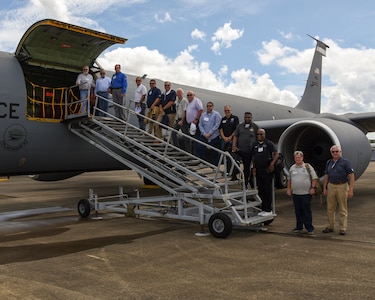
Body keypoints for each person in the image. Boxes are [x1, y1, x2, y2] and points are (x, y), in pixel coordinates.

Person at [322, 145, 355, 235]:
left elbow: (351, 176)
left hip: (342, 185)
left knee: (342, 208)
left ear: (340, 152)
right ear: (331, 153)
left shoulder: (345, 162)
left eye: (337, 151)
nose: (335, 153)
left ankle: (342, 228)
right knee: (330, 208)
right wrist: (324, 187)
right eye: (333, 152)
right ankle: (330, 226)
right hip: (331, 185)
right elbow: (326, 175)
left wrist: (351, 189)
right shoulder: (329, 162)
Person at [287, 151, 318, 235]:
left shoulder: (307, 167)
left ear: (302, 158)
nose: (297, 159)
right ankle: (299, 227)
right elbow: (289, 179)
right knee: (298, 211)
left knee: (306, 211)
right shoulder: (292, 168)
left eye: (299, 157)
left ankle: (309, 228)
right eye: (296, 158)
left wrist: (312, 188)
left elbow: (314, 178)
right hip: (296, 193)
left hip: (306, 193)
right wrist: (289, 189)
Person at [252, 128, 279, 216]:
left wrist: (272, 164)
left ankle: (268, 209)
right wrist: (254, 167)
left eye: (261, 134)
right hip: (259, 169)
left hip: (267, 170)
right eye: (258, 134)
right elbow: (254, 157)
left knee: (267, 190)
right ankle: (263, 208)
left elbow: (276, 153)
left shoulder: (268, 143)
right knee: (261, 190)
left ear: (264, 135)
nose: (259, 136)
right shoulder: (255, 144)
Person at [231, 112, 259, 187]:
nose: (247, 119)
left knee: (247, 167)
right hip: (240, 150)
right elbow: (235, 136)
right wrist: (234, 145)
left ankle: (247, 182)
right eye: (246, 117)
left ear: (251, 118)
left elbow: (258, 137)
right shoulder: (240, 126)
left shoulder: (255, 127)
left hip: (249, 151)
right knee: (234, 161)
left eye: (249, 117)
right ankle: (234, 176)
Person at [219, 105, 239, 175]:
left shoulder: (235, 118)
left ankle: (233, 171)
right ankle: (226, 170)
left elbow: (236, 128)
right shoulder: (223, 119)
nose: (227, 112)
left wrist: (230, 137)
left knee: (232, 156)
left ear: (231, 110)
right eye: (225, 111)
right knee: (225, 155)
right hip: (224, 140)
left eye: (228, 110)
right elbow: (220, 129)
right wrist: (224, 137)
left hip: (232, 140)